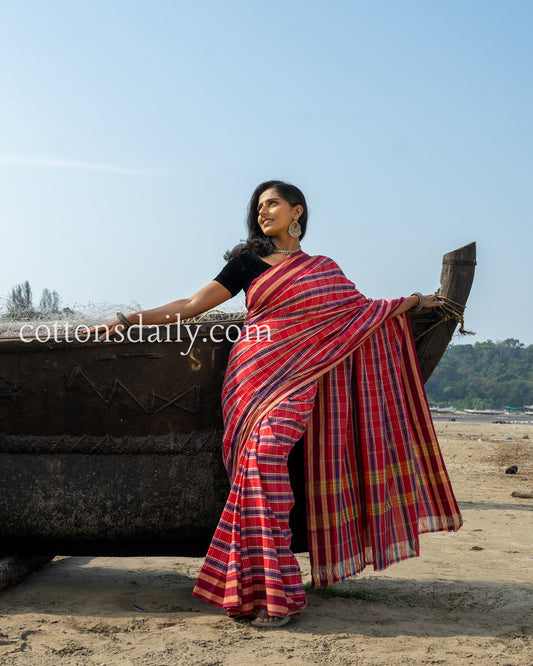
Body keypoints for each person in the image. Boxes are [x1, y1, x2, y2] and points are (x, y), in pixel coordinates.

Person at [91, 180, 462, 628]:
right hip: (252, 376)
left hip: (300, 379)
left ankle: (266, 587)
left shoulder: (324, 268)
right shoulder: (246, 262)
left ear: (296, 211)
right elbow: (192, 305)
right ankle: (267, 591)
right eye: (259, 206)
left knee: (264, 461)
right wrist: (129, 319)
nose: (263, 212)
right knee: (256, 467)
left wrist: (418, 301)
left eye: (272, 204)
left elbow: (360, 313)